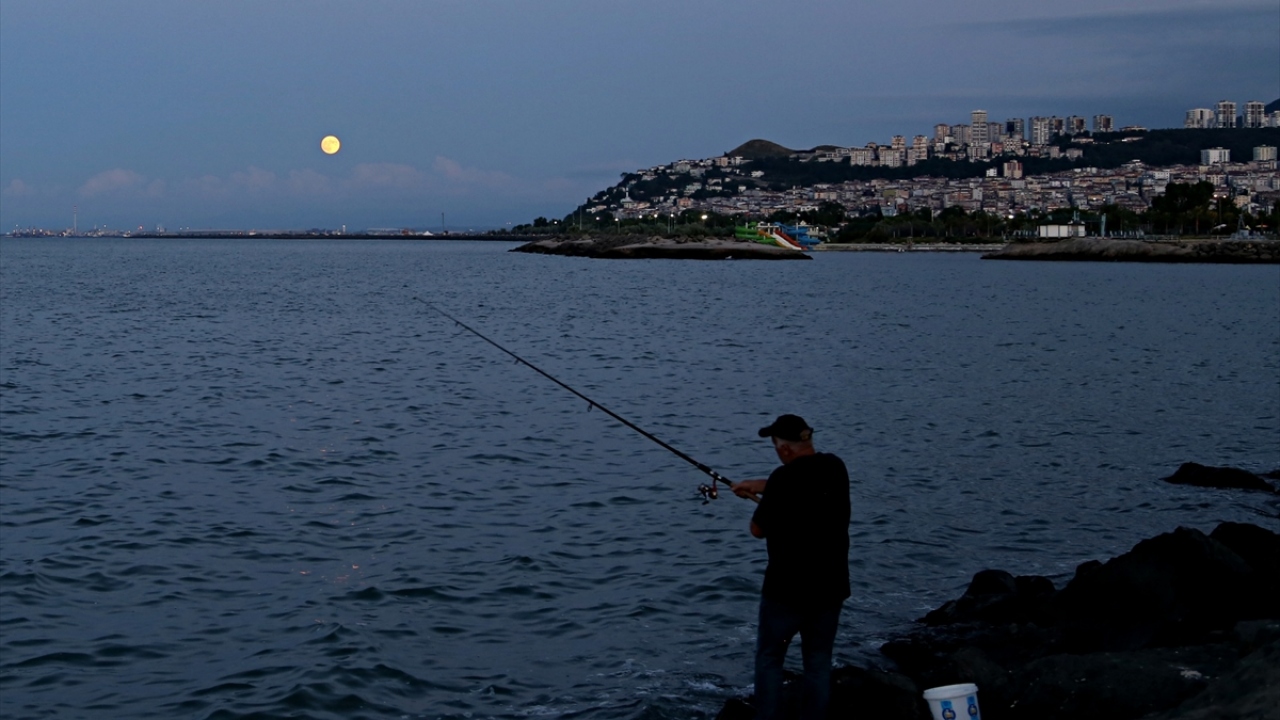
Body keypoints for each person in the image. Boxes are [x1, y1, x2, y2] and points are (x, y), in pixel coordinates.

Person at [733, 414, 850, 720]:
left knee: (771, 658)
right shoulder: (835, 467)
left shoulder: (783, 480)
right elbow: (798, 485)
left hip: (787, 594)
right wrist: (758, 486)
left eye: (775, 445)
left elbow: (758, 529)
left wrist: (763, 498)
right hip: (829, 589)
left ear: (784, 450)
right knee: (818, 661)